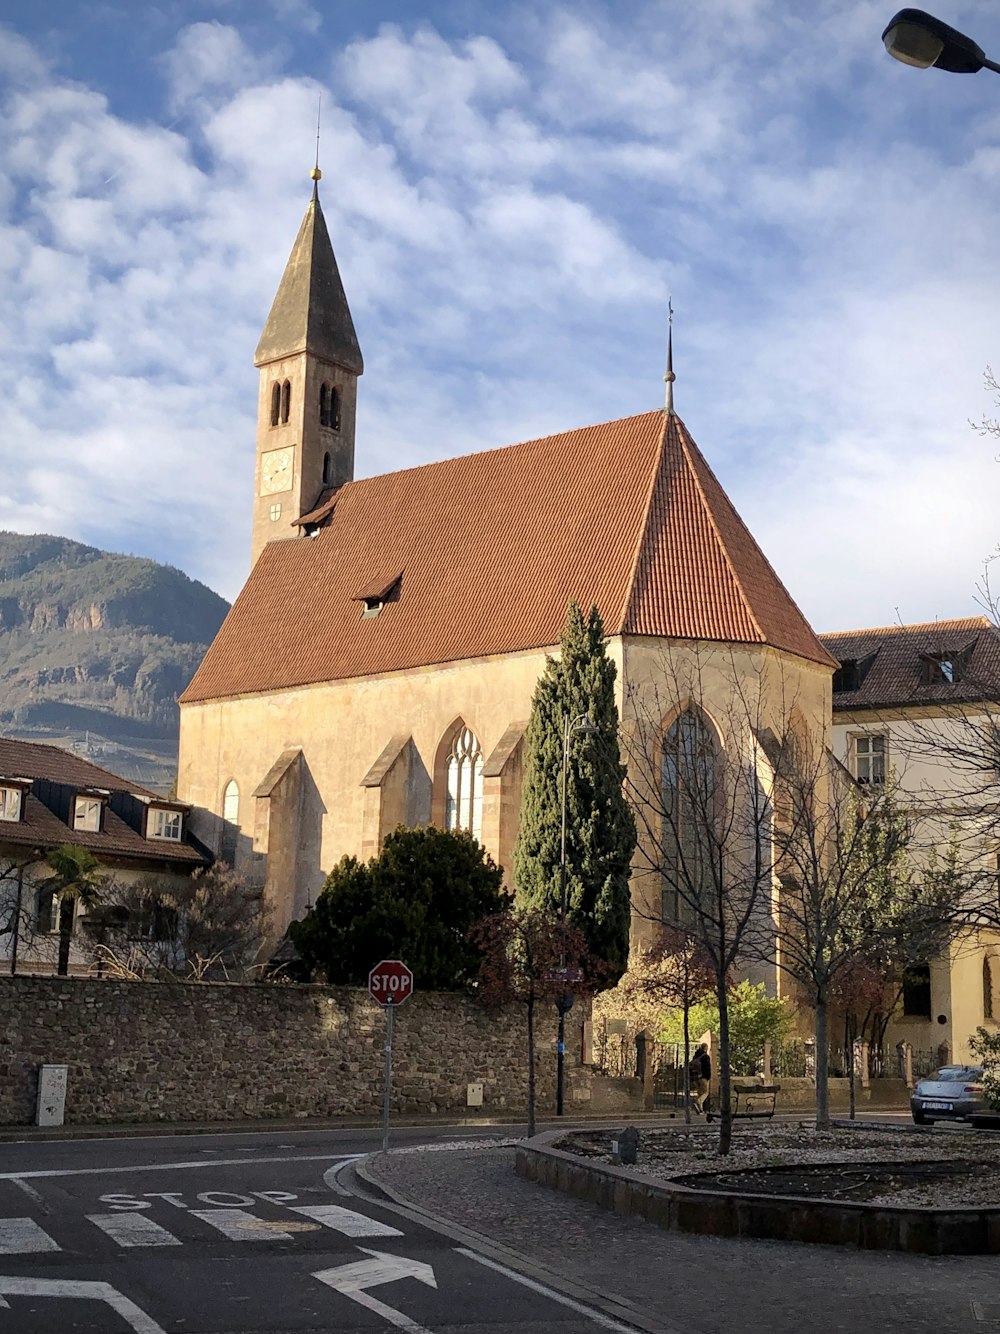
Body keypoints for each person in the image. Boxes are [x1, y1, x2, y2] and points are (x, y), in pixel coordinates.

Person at [689, 1042, 712, 1114]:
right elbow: (707, 1068)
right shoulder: (705, 1057)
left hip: (695, 1077)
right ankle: (698, 1101)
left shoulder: (695, 1056)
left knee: (700, 1093)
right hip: (703, 1077)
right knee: (705, 1092)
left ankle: (700, 1110)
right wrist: (708, 1076)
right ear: (705, 1048)